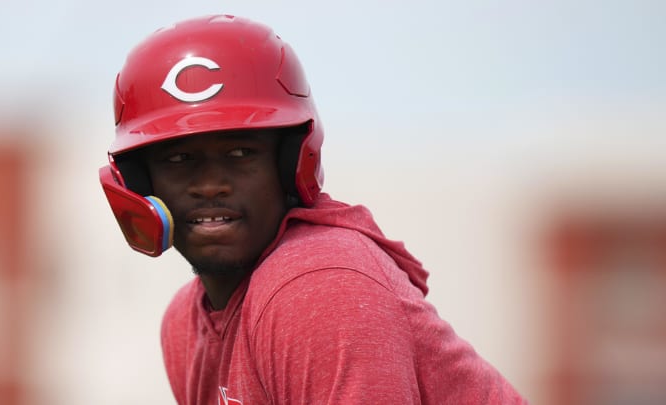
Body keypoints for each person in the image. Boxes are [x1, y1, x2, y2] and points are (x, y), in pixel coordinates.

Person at [99, 14, 527, 404]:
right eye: (179, 159)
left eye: (240, 152)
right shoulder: (185, 326)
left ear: (290, 165)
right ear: (140, 184)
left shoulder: (318, 286)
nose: (211, 184)